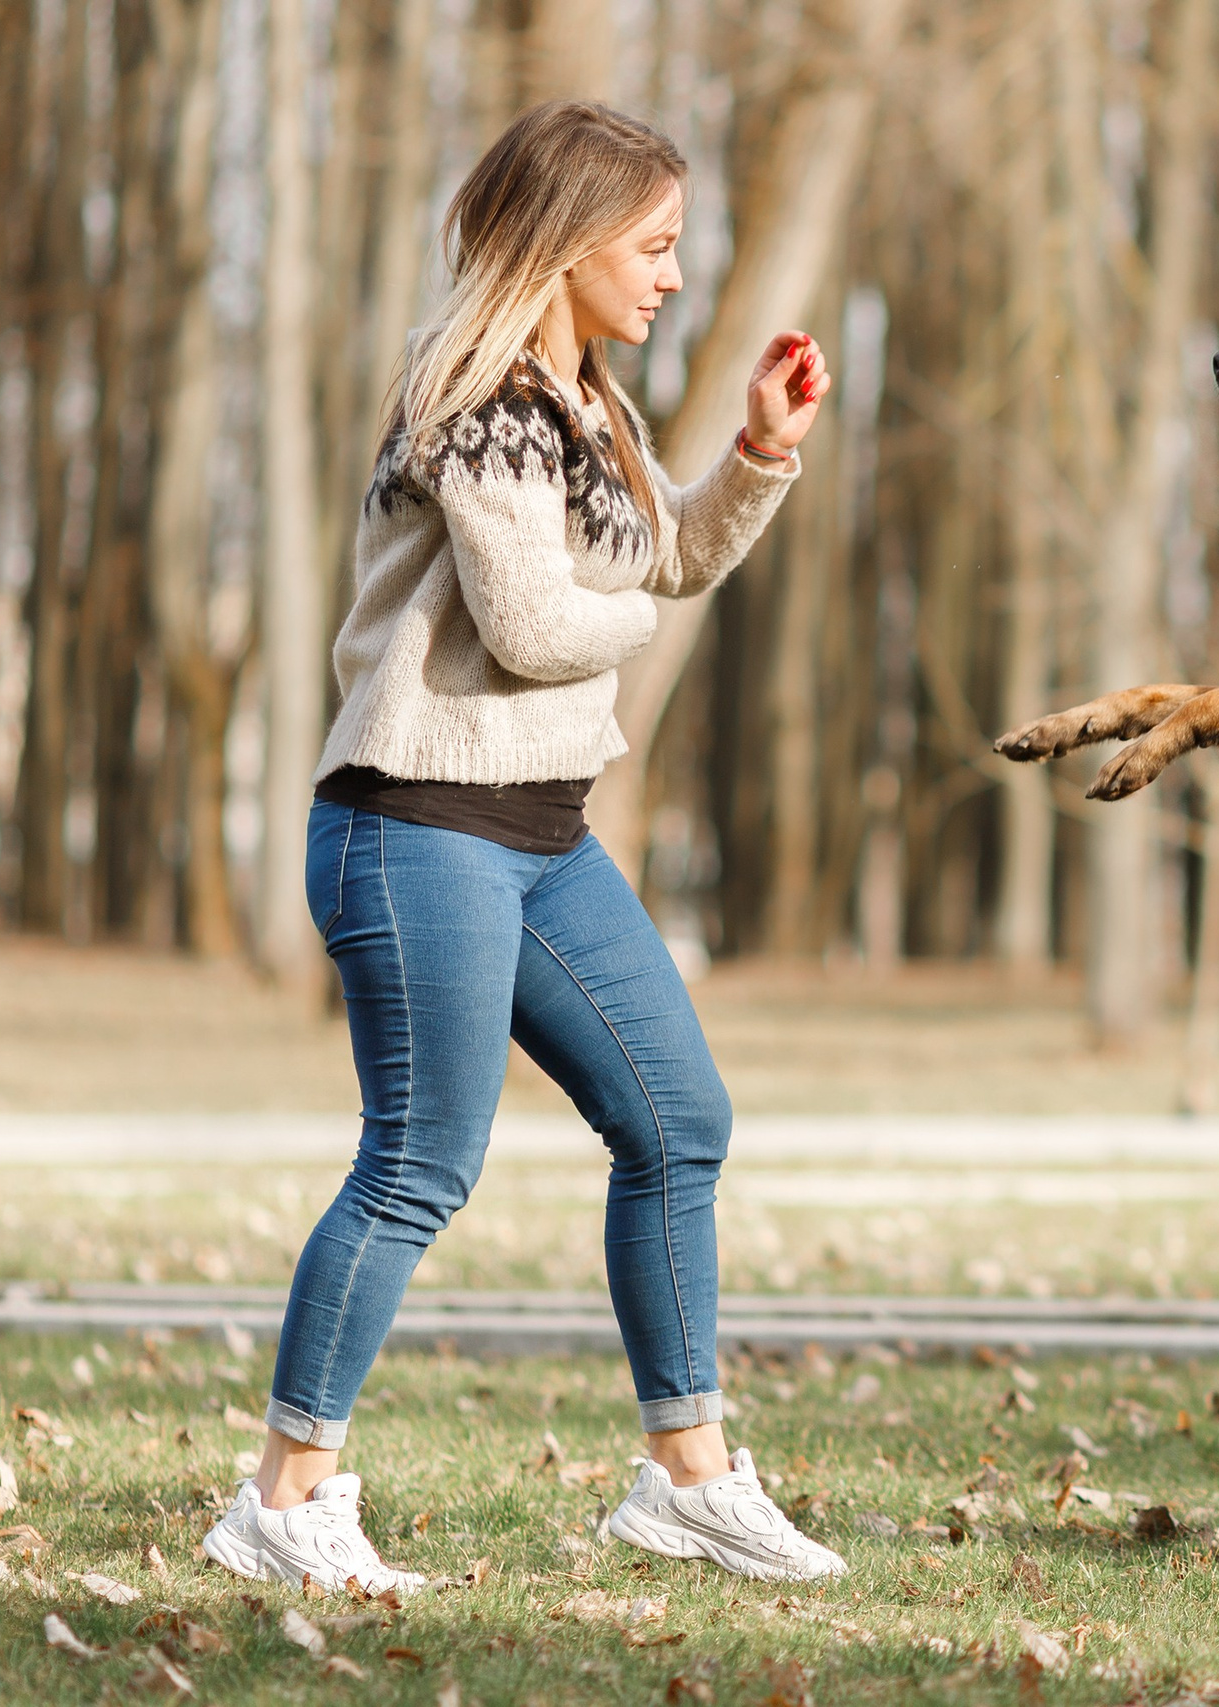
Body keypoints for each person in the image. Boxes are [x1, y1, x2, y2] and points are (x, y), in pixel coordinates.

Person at [198, 100, 843, 1594]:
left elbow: (665, 556)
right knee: (422, 1161)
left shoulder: (591, 404)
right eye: (658, 244)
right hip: (413, 826)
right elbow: (538, 624)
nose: (677, 273)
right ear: (568, 242)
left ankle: (685, 1481)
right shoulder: (472, 391)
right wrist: (641, 623)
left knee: (678, 1122)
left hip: (540, 838)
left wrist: (757, 454)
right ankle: (285, 1502)